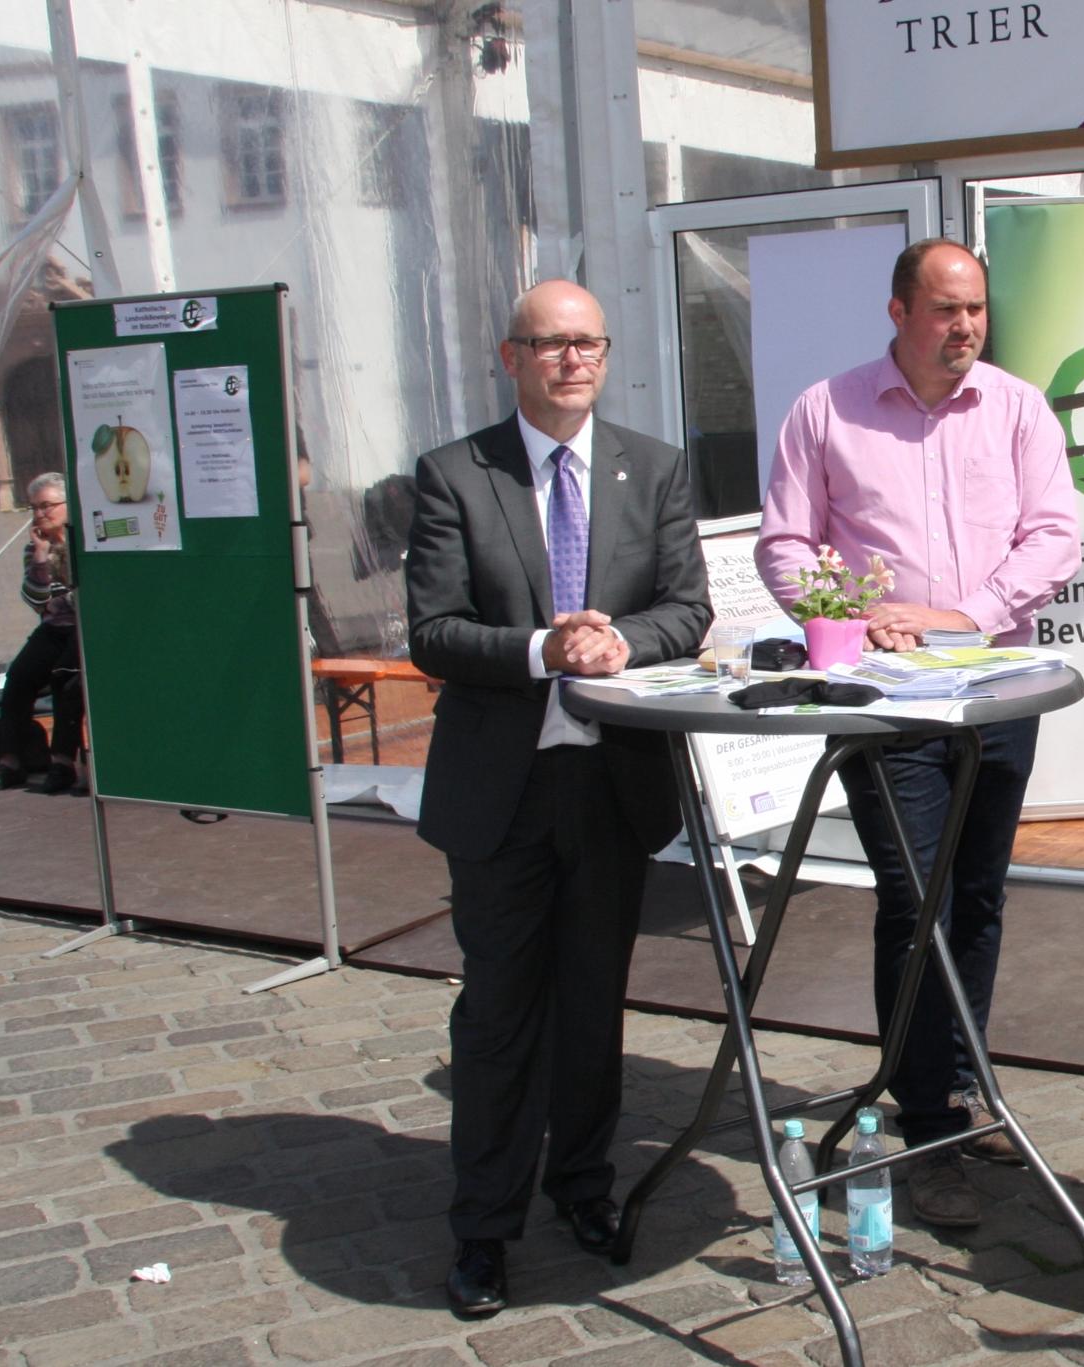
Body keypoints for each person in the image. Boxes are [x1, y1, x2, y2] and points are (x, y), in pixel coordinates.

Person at [404, 280, 712, 1318]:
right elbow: (433, 631)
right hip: (504, 790)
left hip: (611, 783)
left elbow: (688, 607)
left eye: (588, 342)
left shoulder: (654, 468)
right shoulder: (456, 473)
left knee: (593, 1001)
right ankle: (483, 1229)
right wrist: (547, 647)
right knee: (498, 1014)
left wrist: (624, 640)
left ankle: (583, 1185)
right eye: (551, 343)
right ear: (511, 356)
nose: (573, 360)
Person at [757, 238, 1079, 1229]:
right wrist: (853, 615)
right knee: (914, 896)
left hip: (994, 690)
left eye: (976, 309)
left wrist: (970, 612)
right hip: (887, 706)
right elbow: (784, 542)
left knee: (975, 893)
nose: (965, 328)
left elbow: (1056, 532)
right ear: (898, 311)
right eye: (945, 310)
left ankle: (960, 1077)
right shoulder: (827, 408)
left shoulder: (1020, 407)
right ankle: (923, 1111)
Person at [0, 472, 84, 795]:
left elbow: (80, 596)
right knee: (19, 677)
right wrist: (40, 557)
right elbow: (36, 599)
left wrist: (60, 592)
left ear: (68, 506)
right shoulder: (34, 547)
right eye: (34, 508)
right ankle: (9, 762)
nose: (40, 514)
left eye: (47, 506)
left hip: (83, 628)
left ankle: (63, 763)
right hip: (54, 628)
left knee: (67, 681)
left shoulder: (84, 542)